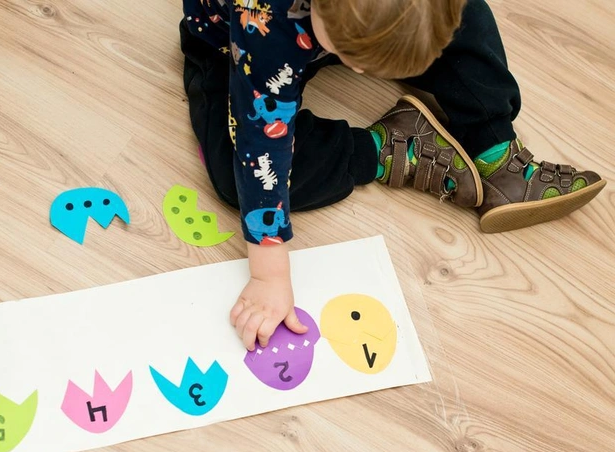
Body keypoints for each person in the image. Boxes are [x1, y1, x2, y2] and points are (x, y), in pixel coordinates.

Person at [179, 0, 606, 351]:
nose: (363, 74)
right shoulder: (266, 20)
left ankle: (493, 148)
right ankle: (390, 146)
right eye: (359, 60)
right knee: (237, 170)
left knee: (469, 18)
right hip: (237, 47)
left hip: (351, 21)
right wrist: (268, 275)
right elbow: (262, 148)